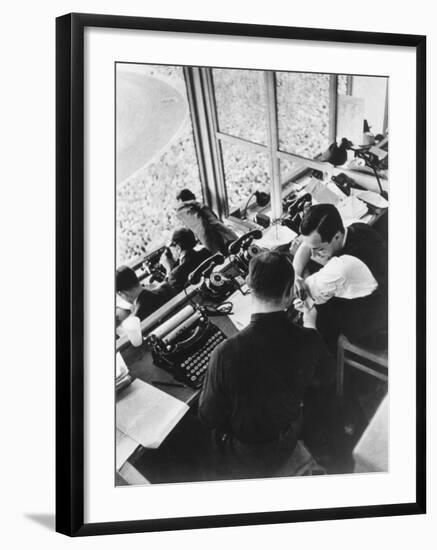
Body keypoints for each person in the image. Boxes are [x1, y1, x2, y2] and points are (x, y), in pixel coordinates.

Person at [198, 250, 335, 479]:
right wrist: (311, 327)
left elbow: (208, 416)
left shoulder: (224, 354)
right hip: (289, 435)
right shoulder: (309, 339)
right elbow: (328, 374)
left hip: (246, 455)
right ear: (289, 293)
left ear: (250, 288)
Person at [293, 203, 388, 349]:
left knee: (316, 315)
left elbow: (305, 292)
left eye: (318, 249)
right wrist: (295, 274)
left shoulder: (342, 268)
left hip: (374, 326)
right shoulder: (354, 227)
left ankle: (328, 359)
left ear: (336, 236)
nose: (313, 255)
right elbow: (307, 245)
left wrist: (301, 274)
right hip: (384, 296)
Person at [175, 188, 237, 255]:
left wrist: (215, 251)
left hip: (218, 243)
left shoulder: (182, 208)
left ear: (180, 200)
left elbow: (202, 227)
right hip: (227, 236)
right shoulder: (198, 205)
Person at [159, 227, 211, 293]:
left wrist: (168, 270)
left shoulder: (175, 275)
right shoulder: (206, 252)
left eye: (169, 248)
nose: (169, 252)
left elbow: (170, 295)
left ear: (178, 248)